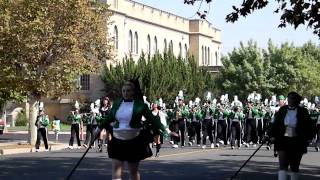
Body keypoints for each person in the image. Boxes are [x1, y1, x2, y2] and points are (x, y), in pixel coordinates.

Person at [98, 78, 167, 180]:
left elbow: (153, 120)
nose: (126, 93)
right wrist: (98, 128)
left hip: (133, 142)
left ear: (133, 92)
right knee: (116, 168)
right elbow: (109, 117)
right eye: (124, 91)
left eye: (128, 91)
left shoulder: (140, 105)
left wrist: (166, 130)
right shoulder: (117, 103)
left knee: (133, 171)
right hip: (117, 141)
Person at [269, 92, 316, 180]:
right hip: (282, 139)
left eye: (293, 98)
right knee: (282, 163)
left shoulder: (303, 111)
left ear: (297, 100)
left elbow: (310, 126)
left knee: (294, 165)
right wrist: (271, 135)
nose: (290, 100)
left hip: (297, 141)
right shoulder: (283, 109)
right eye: (289, 98)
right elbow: (276, 124)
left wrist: (309, 138)